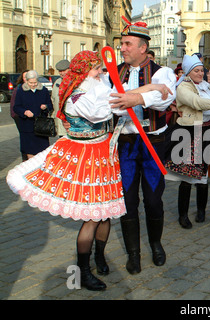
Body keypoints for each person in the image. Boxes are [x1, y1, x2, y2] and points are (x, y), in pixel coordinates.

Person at [7, 50, 129, 291]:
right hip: (85, 156)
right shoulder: (78, 94)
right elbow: (101, 112)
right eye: (96, 69)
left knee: (106, 212)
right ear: (85, 71)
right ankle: (83, 271)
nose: (100, 73)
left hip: (104, 153)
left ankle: (100, 257)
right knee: (93, 215)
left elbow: (111, 108)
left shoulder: (93, 87)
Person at [108, 20, 176, 275]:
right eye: (122, 43)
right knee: (128, 200)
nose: (122, 48)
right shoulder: (113, 73)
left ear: (143, 47)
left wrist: (136, 97)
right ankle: (133, 253)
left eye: (127, 44)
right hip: (125, 144)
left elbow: (165, 98)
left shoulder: (162, 72)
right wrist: (144, 92)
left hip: (153, 144)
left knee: (154, 199)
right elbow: (110, 103)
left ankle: (155, 243)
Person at [165, 55, 210, 228]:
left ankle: (201, 210)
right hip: (190, 131)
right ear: (188, 72)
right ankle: (183, 215)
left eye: (201, 70)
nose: (200, 73)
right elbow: (196, 102)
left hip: (208, 129)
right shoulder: (183, 87)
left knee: (203, 173)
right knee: (187, 174)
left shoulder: (207, 85)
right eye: (196, 70)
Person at [13, 70, 53, 160]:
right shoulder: (21, 91)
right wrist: (25, 112)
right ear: (26, 81)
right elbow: (16, 107)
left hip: (41, 126)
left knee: (43, 152)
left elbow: (50, 105)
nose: (33, 85)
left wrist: (45, 106)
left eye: (35, 82)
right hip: (27, 126)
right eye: (31, 83)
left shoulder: (43, 91)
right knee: (30, 152)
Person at [10, 70, 29, 161]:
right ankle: (25, 159)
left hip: (33, 118)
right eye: (25, 77)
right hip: (21, 118)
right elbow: (13, 106)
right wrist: (18, 116)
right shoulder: (18, 89)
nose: (26, 78)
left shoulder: (37, 88)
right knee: (25, 139)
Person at [51, 59, 71, 137]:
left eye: (64, 70)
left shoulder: (74, 82)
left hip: (70, 123)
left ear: (69, 69)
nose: (61, 73)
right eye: (60, 71)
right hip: (59, 120)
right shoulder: (57, 82)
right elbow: (53, 99)